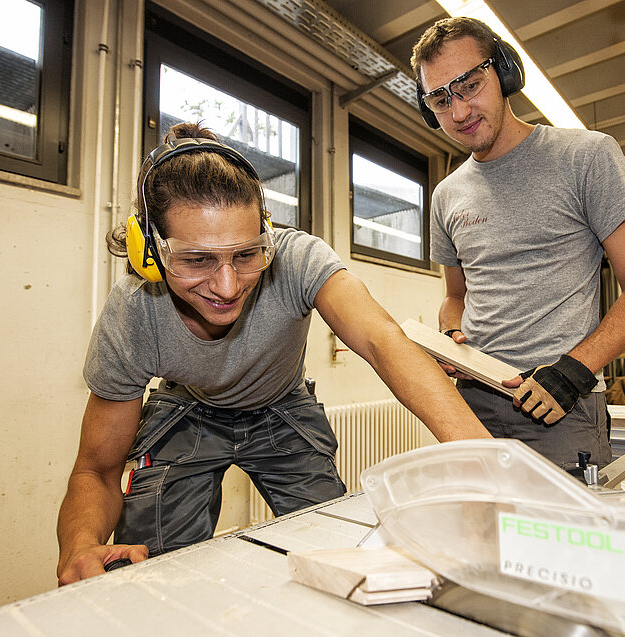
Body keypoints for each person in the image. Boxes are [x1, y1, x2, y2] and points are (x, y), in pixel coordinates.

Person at [56, 122, 491, 585]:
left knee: (339, 550)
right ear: (150, 251)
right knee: (151, 568)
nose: (227, 286)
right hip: (189, 411)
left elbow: (383, 342)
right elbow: (97, 469)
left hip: (282, 406)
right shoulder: (134, 316)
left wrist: (490, 463)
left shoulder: (297, 259)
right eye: (196, 259)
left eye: (246, 255)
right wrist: (80, 548)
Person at [411, 18, 625, 471]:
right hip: (472, 404)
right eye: (441, 99)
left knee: (570, 540)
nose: (460, 112)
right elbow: (455, 296)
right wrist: (453, 336)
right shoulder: (445, 196)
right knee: (479, 537)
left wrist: (573, 373)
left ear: (505, 72)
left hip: (560, 407)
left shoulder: (586, 157)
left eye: (470, 85)